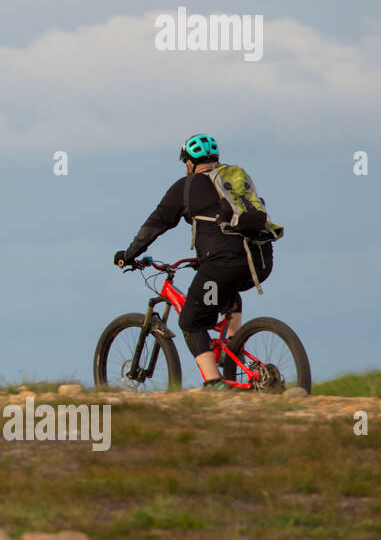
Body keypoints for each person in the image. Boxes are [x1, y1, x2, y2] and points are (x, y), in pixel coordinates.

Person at [113, 134, 273, 390]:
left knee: (191, 321)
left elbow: (155, 224)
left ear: (189, 163)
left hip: (222, 262)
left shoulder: (186, 186)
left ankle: (213, 383)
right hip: (260, 259)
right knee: (225, 288)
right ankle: (234, 346)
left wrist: (128, 255)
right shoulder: (232, 181)